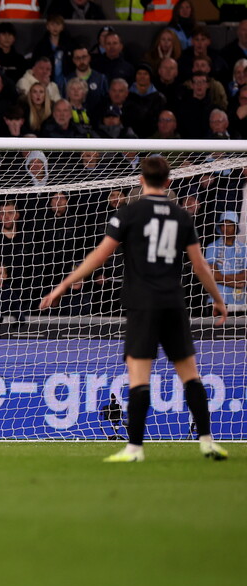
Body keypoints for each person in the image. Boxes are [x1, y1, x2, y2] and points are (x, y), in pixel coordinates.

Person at [40, 156, 229, 462]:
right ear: (168, 182)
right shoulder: (181, 216)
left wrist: (63, 285)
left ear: (141, 180)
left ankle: (135, 448)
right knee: (190, 376)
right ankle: (207, 441)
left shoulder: (129, 212)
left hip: (142, 304)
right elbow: (200, 265)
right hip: (173, 303)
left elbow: (99, 256)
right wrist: (218, 299)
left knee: (140, 377)